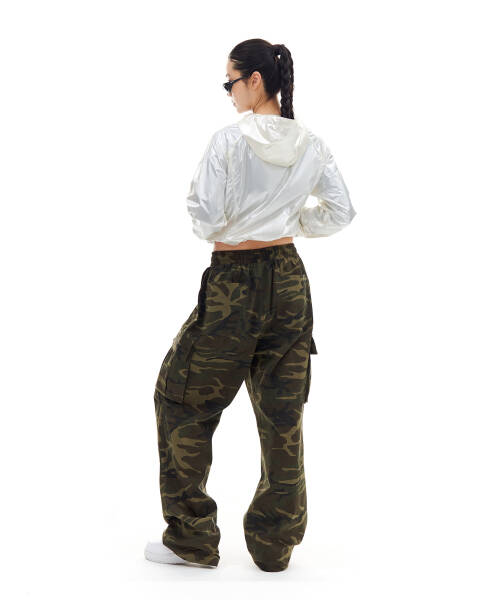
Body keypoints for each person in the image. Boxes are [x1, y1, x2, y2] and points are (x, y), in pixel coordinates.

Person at [144, 38, 356, 572]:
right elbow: (340, 210)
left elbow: (206, 218)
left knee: (180, 398)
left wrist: (241, 225)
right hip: (289, 282)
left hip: (233, 283)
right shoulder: (311, 143)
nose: (229, 92)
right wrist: (290, 222)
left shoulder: (228, 141)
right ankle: (274, 546)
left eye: (231, 82)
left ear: (255, 80)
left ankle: (191, 538)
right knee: (282, 413)